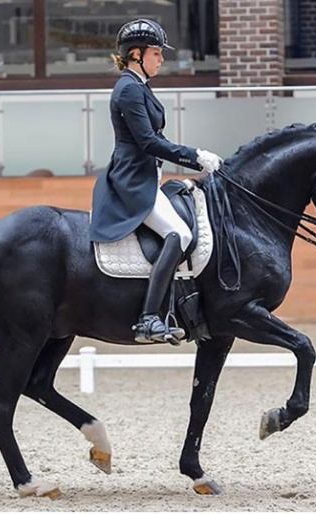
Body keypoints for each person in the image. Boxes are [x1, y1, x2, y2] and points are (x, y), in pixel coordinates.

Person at [89, 18, 223, 344]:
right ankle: (148, 319)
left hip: (148, 176)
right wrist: (195, 156)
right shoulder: (128, 89)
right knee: (178, 234)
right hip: (132, 182)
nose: (161, 59)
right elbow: (148, 142)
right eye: (156, 52)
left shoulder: (140, 87)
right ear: (136, 54)